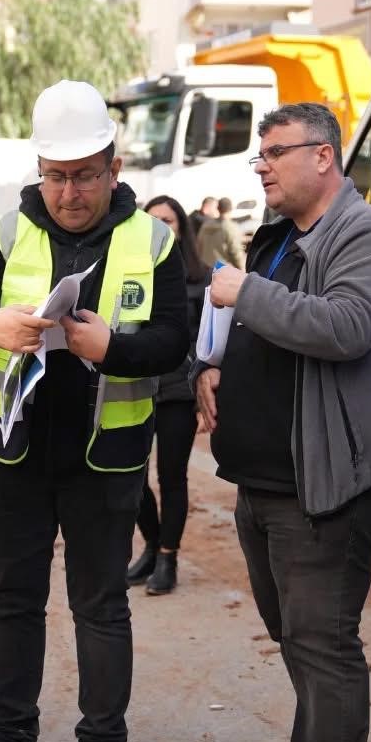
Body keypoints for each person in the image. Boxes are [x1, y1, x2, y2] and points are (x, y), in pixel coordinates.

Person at [0, 79, 189, 742]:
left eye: (84, 175)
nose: (70, 192)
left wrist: (115, 347)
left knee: (100, 608)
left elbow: (173, 339)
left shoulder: (154, 239)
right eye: (56, 175)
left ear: (113, 167)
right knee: (14, 604)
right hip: (15, 455)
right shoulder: (10, 232)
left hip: (103, 459)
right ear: (39, 169)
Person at [195, 102, 371, 742]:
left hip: (327, 481)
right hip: (266, 478)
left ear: (323, 157)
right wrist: (213, 364)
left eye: (273, 152)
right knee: (293, 631)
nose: (260, 165)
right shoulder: (278, 237)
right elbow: (253, 330)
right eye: (258, 155)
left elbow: (346, 328)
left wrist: (247, 292)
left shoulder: (367, 235)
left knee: (322, 640)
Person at [125, 195, 208, 595]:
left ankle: (168, 556)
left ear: (181, 227)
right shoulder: (132, 273)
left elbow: (206, 341)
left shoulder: (201, 279)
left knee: (171, 477)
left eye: (169, 221)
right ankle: (152, 546)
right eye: (153, 220)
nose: (161, 228)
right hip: (135, 389)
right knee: (132, 478)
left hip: (178, 392)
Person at [196, 196, 246, 269]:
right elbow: (236, 253)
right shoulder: (231, 227)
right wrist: (242, 270)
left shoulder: (206, 225)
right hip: (222, 271)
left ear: (218, 208)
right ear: (231, 209)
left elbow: (199, 245)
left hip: (205, 268)